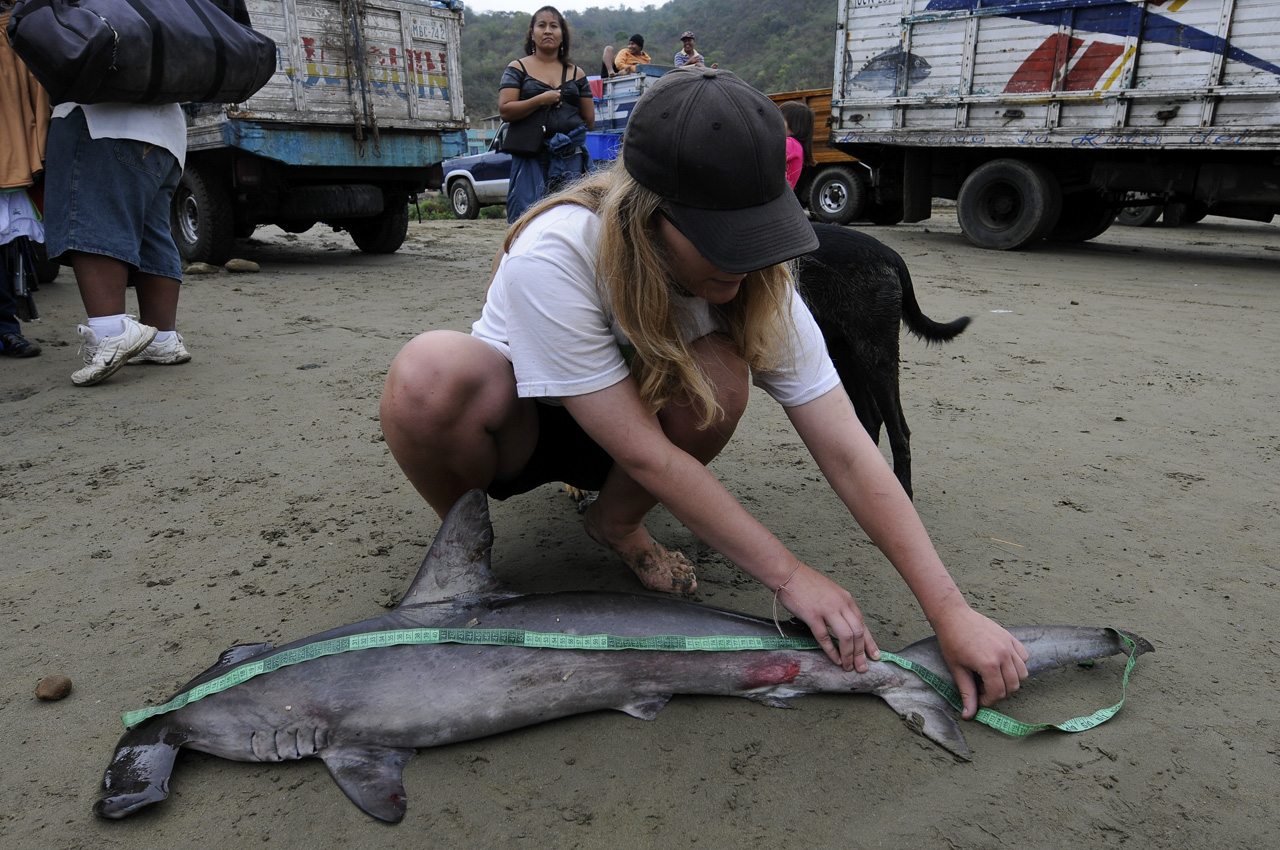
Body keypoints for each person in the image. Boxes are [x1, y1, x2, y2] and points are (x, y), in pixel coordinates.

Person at [379, 68, 1029, 718]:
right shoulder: (556, 253)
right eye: (724, 239)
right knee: (428, 372)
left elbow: (850, 452)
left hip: (634, 433)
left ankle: (618, 521)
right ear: (650, 215)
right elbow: (647, 455)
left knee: (720, 372)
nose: (746, 262)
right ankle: (467, 558)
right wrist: (791, 577)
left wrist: (950, 611)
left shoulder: (761, 282)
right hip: (519, 429)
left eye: (760, 233)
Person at [43, 101, 191, 386]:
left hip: (101, 125)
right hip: (168, 135)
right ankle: (162, 338)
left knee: (93, 221)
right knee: (153, 231)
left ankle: (109, 333)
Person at [499, 6, 595, 224]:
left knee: (572, 221)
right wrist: (540, 100)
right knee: (529, 222)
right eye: (541, 25)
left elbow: (589, 121)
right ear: (532, 34)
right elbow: (505, 110)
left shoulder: (576, 73)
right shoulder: (518, 68)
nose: (548, 30)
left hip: (571, 159)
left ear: (563, 36)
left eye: (554, 26)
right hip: (532, 157)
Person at [780, 100, 816, 190]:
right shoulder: (797, 146)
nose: (775, 122)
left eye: (780, 119)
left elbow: (766, 154)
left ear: (794, 128)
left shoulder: (791, 144)